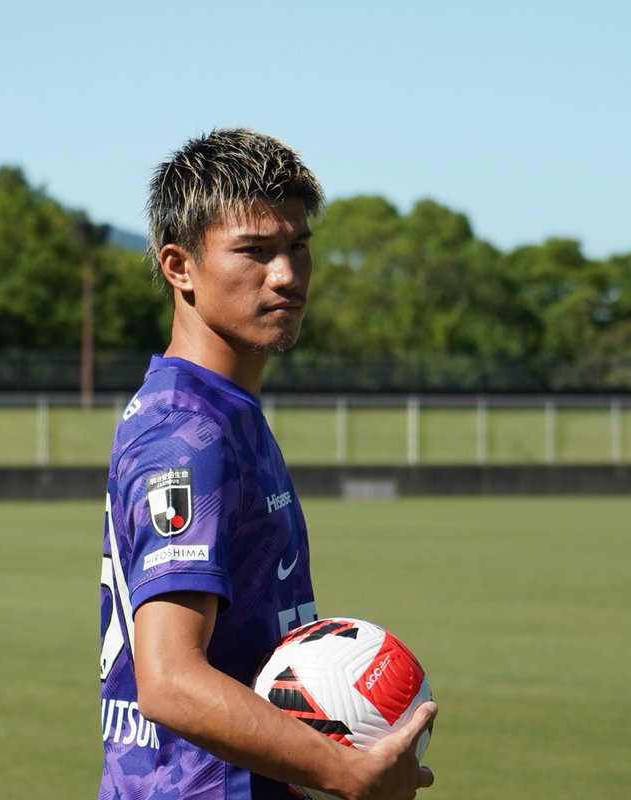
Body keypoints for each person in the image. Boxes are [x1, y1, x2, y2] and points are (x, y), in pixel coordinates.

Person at [97, 128, 437, 800]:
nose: (285, 274)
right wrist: (345, 771)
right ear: (179, 266)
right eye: (254, 251)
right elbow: (169, 680)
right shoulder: (186, 434)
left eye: (297, 247)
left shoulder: (222, 411)